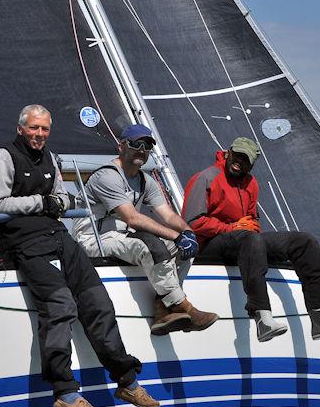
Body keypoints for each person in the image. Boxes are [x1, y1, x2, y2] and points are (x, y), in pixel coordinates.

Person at [0, 105, 158, 407]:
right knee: (61, 305)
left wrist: (55, 203)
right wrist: (42, 203)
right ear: (21, 128)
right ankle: (65, 393)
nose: (39, 135)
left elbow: (64, 198)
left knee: (97, 300)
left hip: (57, 235)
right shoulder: (2, 157)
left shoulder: (50, 157)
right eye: (34, 128)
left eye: (45, 129)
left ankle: (127, 381)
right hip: (24, 242)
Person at [182, 137, 320, 342]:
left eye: (245, 160)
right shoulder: (205, 178)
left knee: (304, 242)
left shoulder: (251, 183)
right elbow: (191, 223)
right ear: (228, 152)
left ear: (252, 165)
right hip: (208, 245)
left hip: (243, 242)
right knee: (251, 239)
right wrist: (232, 227)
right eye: (237, 155)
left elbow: (252, 221)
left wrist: (247, 227)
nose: (239, 161)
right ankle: (263, 319)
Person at [72, 123, 218, 335]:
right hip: (93, 239)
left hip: (121, 237)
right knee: (149, 246)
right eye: (135, 143)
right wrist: (177, 236)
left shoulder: (145, 180)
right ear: (121, 146)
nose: (141, 149)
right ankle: (185, 307)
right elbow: (132, 218)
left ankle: (162, 309)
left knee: (186, 248)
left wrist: (188, 234)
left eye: (147, 145)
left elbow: (167, 215)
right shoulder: (107, 176)